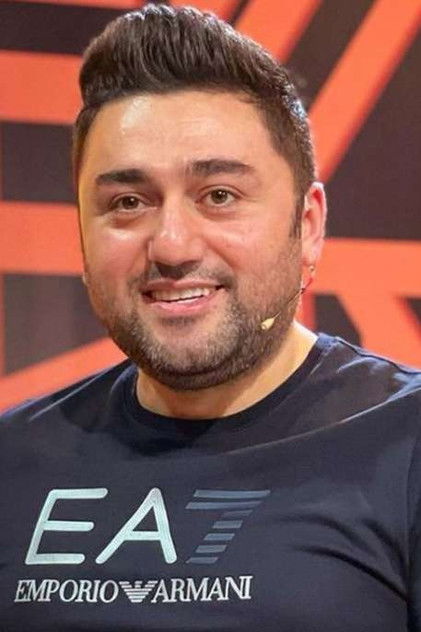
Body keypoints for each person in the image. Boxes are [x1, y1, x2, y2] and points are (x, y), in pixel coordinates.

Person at [0, 3, 420, 630]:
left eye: (219, 195)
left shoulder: (407, 443)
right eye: (128, 201)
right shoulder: (12, 460)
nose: (172, 245)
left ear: (307, 226)